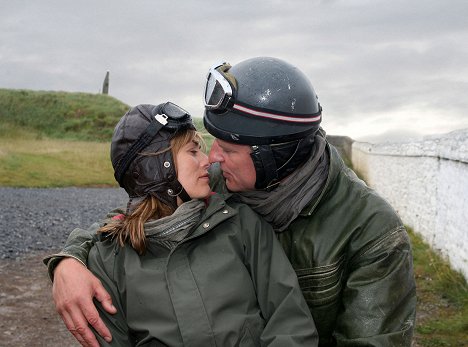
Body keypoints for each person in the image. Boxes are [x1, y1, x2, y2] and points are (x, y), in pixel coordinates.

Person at [46, 57, 416, 347]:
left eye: (228, 147)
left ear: (276, 157)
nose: (214, 157)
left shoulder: (373, 231)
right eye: (208, 142)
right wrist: (70, 261)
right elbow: (142, 214)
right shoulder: (217, 183)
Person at [44, 101, 318, 346]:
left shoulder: (241, 224)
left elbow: (290, 321)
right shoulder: (109, 260)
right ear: (158, 168)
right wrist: (67, 261)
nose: (207, 160)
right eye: (193, 151)